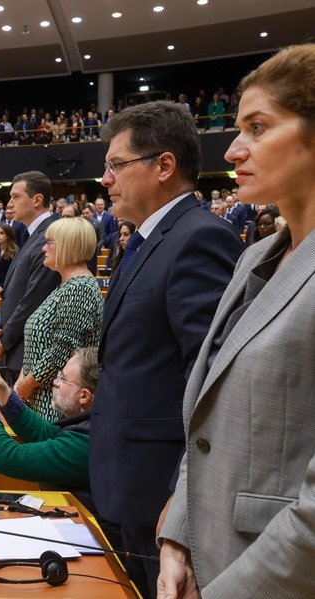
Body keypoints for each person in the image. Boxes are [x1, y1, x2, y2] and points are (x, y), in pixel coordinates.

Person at [158, 44, 315, 599]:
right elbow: (209, 419)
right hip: (209, 550)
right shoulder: (254, 257)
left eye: (257, 127)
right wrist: (179, 535)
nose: (232, 150)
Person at [91, 100, 244, 598]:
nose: (105, 179)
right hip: (130, 478)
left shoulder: (200, 239)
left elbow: (213, 385)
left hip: (162, 491)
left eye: (116, 165)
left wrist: (184, 499)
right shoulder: (146, 240)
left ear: (163, 166)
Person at [0, 350, 104, 514]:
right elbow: (47, 433)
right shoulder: (99, 419)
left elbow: (7, 458)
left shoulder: (86, 443)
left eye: (63, 379)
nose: (55, 382)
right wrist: (3, 392)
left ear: (84, 396)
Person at [15, 218, 102, 421]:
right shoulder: (65, 285)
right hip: (40, 396)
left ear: (67, 245)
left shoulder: (80, 288)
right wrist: (22, 380)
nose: (44, 248)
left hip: (56, 405)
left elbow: (62, 350)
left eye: (49, 242)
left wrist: (28, 383)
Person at [0, 171, 61, 383]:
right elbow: (12, 292)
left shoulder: (50, 234)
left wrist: (4, 340)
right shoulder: (30, 234)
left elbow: (32, 299)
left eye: (16, 197)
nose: (10, 203)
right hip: (17, 348)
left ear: (37, 199)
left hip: (30, 353)